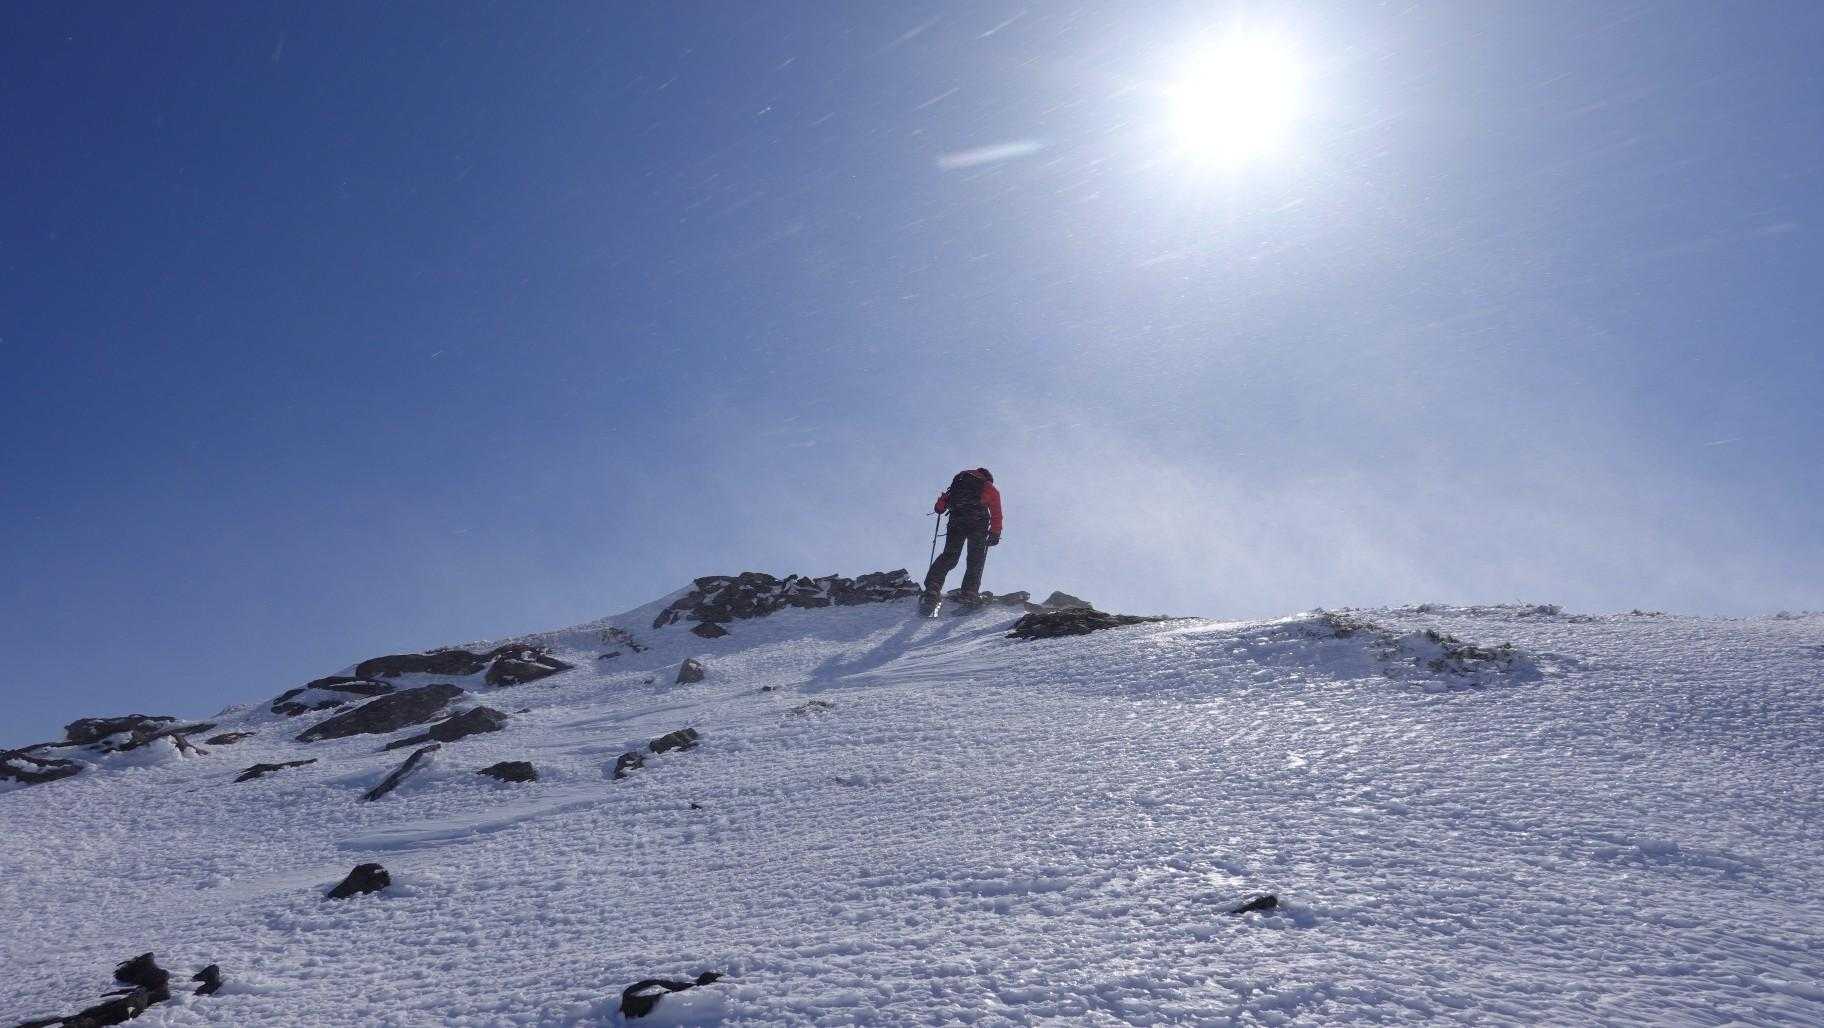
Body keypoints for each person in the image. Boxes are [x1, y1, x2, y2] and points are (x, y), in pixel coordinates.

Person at [922, 467, 1003, 611]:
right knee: (975, 558)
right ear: (988, 478)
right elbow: (996, 512)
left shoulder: (959, 481)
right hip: (978, 522)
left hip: (956, 520)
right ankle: (969, 593)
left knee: (950, 555)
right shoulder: (988, 486)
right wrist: (995, 533)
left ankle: (932, 588)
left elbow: (941, 505)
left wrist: (940, 508)